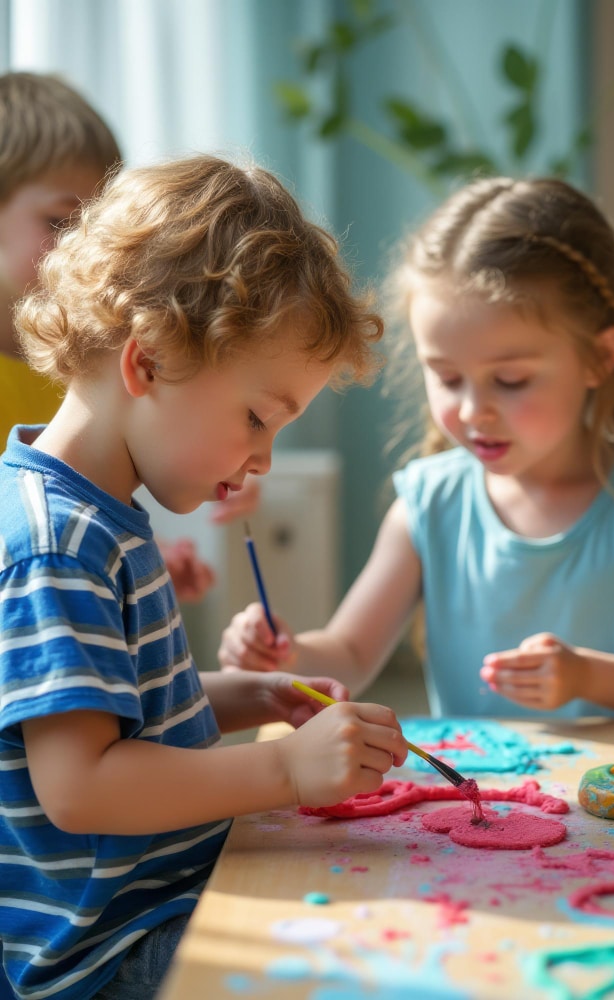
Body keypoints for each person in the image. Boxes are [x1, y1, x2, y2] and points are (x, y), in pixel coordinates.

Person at [0, 153, 408, 1000]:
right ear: (145, 362)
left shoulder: (98, 509)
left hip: (151, 911)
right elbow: (80, 786)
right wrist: (286, 770)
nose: (263, 457)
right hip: (105, 958)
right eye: (258, 416)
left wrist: (252, 698)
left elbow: (120, 718)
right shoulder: (59, 543)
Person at [218, 175, 614, 721]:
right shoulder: (427, 504)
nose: (471, 411)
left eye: (510, 381)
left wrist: (588, 677)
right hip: (481, 805)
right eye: (446, 376)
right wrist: (284, 656)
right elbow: (348, 654)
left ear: (600, 358)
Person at [0, 70, 255, 602]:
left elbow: (79, 504)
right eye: (60, 222)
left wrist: (129, 563)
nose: (80, 248)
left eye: (94, 227)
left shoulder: (86, 362)